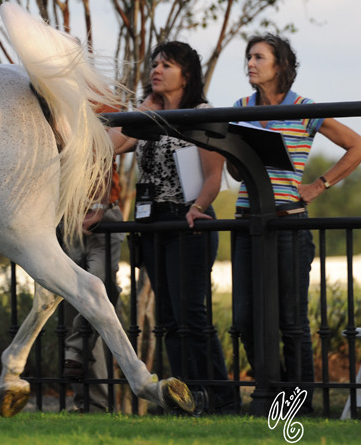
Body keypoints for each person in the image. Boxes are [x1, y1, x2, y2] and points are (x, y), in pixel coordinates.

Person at [230, 33, 361, 411]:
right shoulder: (240, 107)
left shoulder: (305, 107)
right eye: (249, 57)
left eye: (258, 57)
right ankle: (273, 394)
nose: (250, 63)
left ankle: (300, 404)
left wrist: (318, 185)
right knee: (244, 319)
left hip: (288, 224)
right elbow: (235, 172)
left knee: (291, 321)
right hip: (247, 222)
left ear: (280, 66)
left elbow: (359, 146)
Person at [109, 41, 234, 414]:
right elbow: (110, 145)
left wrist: (198, 208)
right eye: (155, 64)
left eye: (167, 65)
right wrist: (144, 109)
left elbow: (214, 174)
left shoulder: (200, 114)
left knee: (190, 314)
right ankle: (185, 398)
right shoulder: (149, 116)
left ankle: (218, 396)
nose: (156, 70)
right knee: (167, 317)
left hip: (188, 219)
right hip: (152, 223)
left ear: (187, 75)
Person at [61, 122, 125, 413]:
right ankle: (90, 403)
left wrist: (98, 205)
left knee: (99, 294)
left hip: (102, 216)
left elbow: (105, 149)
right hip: (69, 218)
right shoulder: (55, 108)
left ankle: (76, 349)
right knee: (79, 305)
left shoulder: (104, 107)